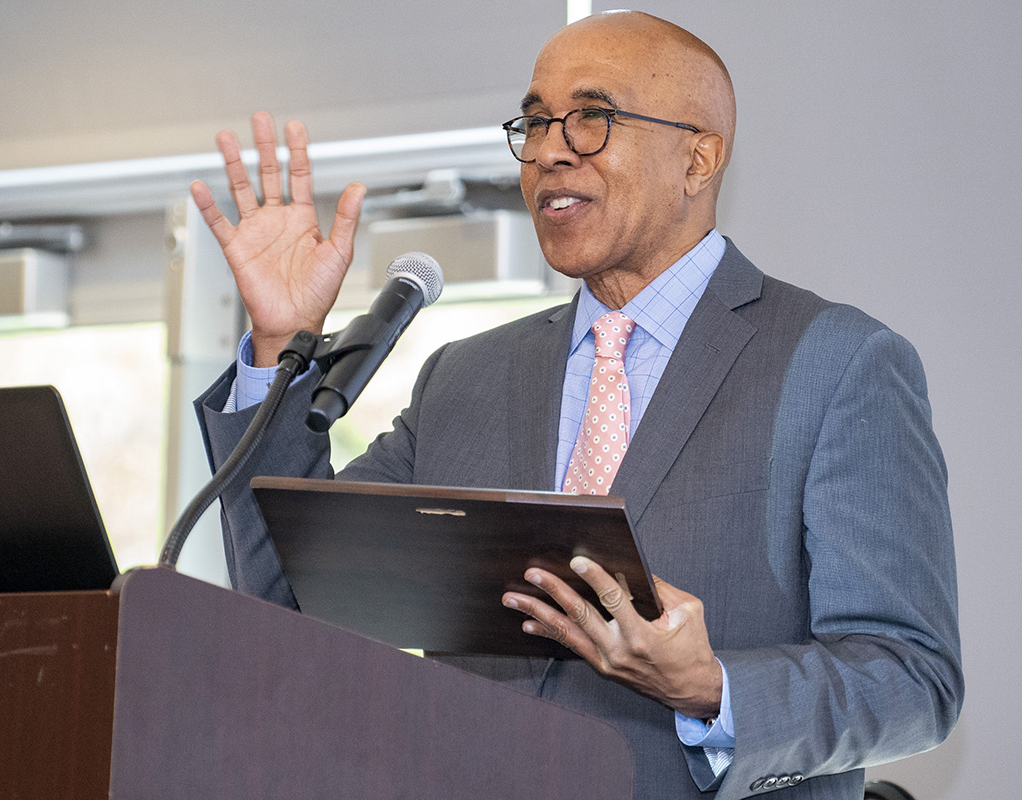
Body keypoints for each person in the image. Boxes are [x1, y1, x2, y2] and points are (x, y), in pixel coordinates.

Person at [189, 10, 962, 799]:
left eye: (592, 117)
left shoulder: (837, 363)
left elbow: (914, 681)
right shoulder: (465, 376)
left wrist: (714, 688)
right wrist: (276, 345)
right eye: (534, 122)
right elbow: (288, 590)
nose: (551, 149)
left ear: (697, 159)